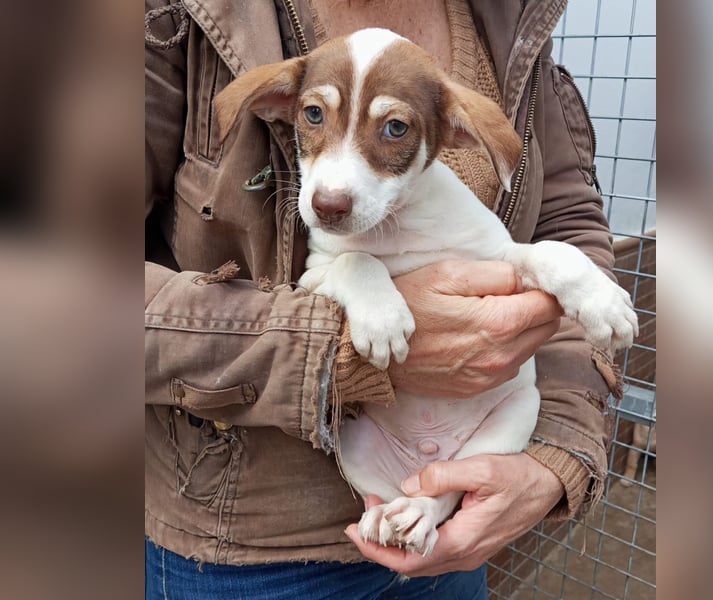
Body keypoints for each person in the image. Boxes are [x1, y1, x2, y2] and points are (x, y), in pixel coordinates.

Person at [145, 0, 623, 598]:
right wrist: (343, 334)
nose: (334, 189)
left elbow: (552, 232)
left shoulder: (511, 20)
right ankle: (405, 505)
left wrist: (557, 456)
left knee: (515, 398)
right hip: (244, 547)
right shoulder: (174, 19)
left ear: (454, 135)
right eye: (314, 116)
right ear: (283, 105)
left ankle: (428, 505)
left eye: (393, 128)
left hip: (464, 524)